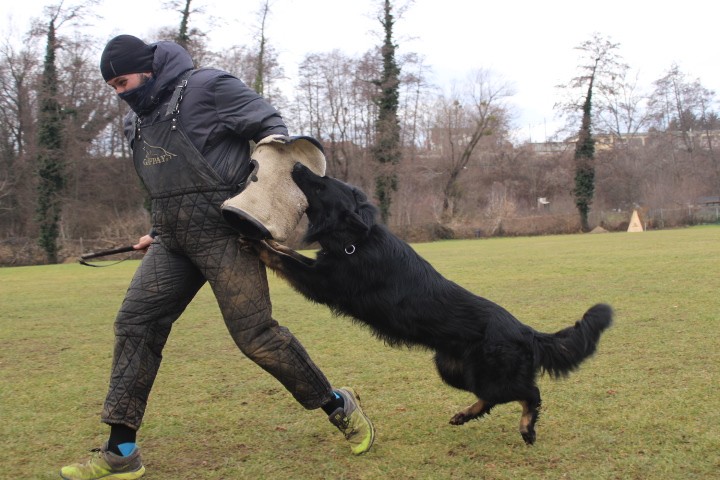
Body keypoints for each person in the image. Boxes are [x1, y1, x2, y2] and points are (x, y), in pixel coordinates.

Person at [60, 35, 374, 480]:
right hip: (172, 241)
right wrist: (156, 229)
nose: (119, 93)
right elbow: (164, 183)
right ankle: (121, 450)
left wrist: (266, 202)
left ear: (146, 70)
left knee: (257, 338)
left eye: (123, 81)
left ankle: (337, 404)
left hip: (229, 235)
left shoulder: (208, 87)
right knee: (136, 325)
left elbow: (273, 131)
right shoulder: (137, 123)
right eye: (111, 86)